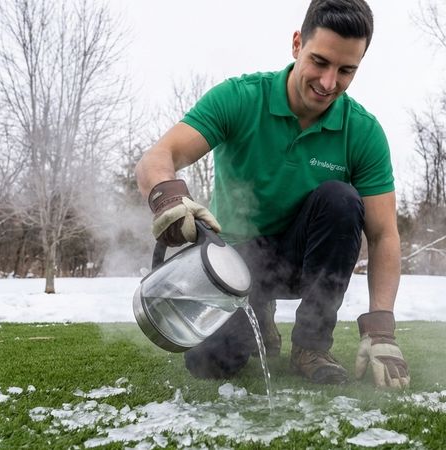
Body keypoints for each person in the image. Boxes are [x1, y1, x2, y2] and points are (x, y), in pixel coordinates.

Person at [135, 0, 410, 388]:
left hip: (307, 262)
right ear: (297, 44)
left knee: (342, 199)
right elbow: (158, 157)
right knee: (211, 364)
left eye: (346, 70)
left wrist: (382, 330)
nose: (329, 82)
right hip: (234, 265)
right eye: (320, 61)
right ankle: (257, 318)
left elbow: (383, 235)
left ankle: (311, 345)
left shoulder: (362, 131)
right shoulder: (240, 98)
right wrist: (167, 198)